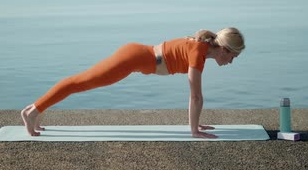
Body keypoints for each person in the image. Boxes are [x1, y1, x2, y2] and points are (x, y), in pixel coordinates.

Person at [21, 27, 245, 139]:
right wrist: (194, 130)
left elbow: (195, 96)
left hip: (135, 56)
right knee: (80, 82)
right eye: (233, 57)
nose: (231, 62)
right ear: (225, 50)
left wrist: (195, 126)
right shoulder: (199, 52)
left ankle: (34, 109)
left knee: (79, 82)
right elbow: (195, 96)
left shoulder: (202, 49)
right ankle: (33, 110)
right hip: (132, 59)